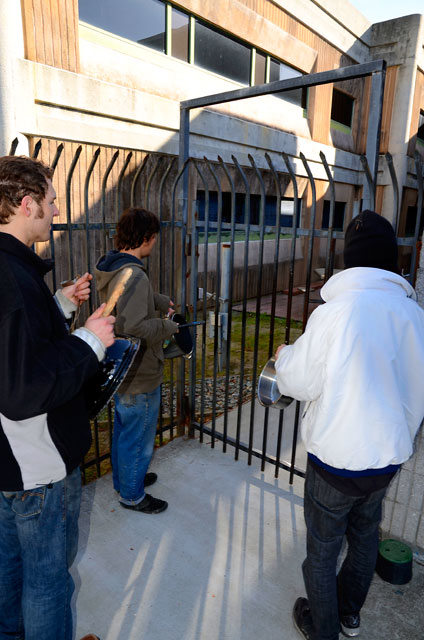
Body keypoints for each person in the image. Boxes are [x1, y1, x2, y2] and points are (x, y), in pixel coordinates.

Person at [274, 210, 424, 640]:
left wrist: (285, 357)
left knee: (321, 551)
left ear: (349, 260)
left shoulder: (335, 313)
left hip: (335, 462)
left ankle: (323, 630)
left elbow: (298, 380)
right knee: (364, 537)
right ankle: (348, 613)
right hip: (385, 460)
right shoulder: (413, 315)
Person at [0, 155, 115, 640]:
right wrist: (90, 339)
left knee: (9, 573)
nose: (55, 208)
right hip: (37, 466)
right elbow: (22, 387)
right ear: (27, 205)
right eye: (50, 200)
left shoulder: (12, 273)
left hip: (8, 461)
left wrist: (60, 304)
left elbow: (13, 343)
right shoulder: (11, 277)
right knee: (47, 582)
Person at [95, 207, 178, 514]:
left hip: (119, 368)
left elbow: (122, 301)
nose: (155, 243)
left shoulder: (113, 265)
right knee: (139, 436)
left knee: (124, 429)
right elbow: (134, 326)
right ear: (146, 237)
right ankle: (132, 494)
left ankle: (125, 479)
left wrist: (155, 299)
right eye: (154, 238)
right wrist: (168, 326)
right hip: (139, 371)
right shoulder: (136, 274)